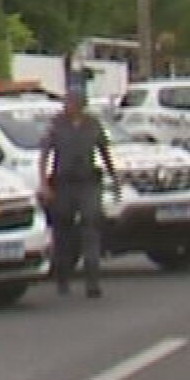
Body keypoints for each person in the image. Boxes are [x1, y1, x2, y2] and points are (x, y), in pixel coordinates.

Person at [39, 77, 122, 299]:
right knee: (63, 233)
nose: (70, 105)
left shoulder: (93, 124)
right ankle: (63, 277)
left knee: (91, 227)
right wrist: (45, 184)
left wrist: (114, 178)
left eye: (74, 101)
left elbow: (104, 152)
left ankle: (92, 281)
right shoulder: (57, 124)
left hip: (87, 182)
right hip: (63, 184)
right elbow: (45, 153)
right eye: (68, 101)